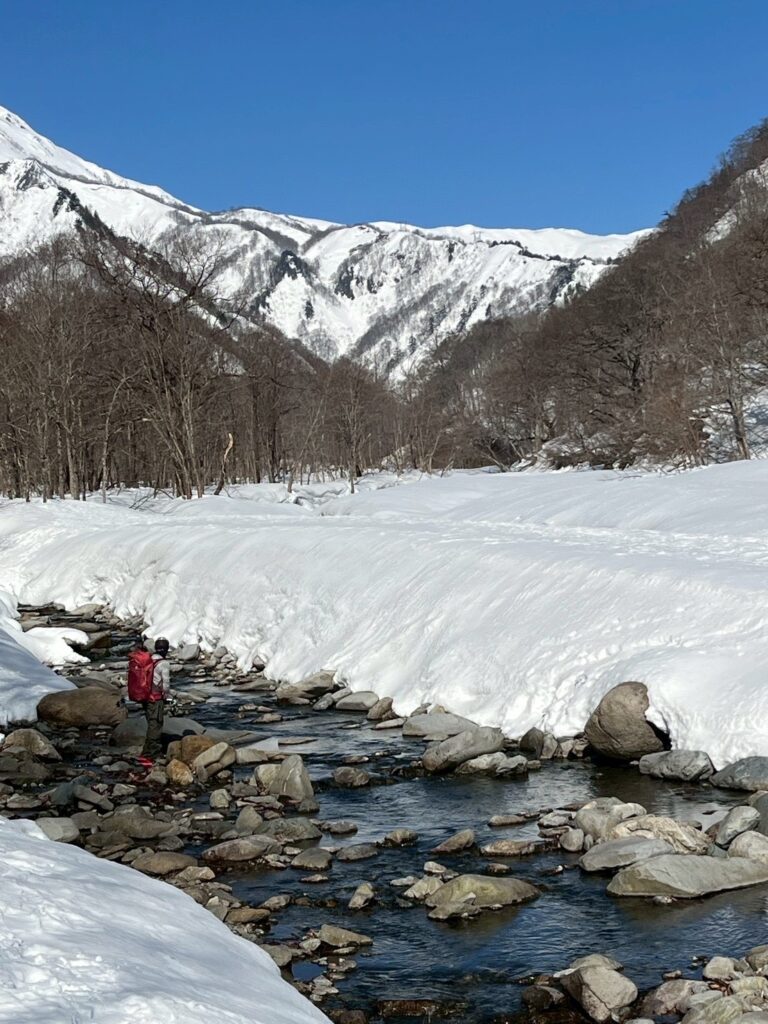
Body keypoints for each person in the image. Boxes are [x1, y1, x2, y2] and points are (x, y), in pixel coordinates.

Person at [139, 637, 171, 766]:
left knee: (150, 723)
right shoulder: (164, 664)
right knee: (156, 725)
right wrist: (167, 697)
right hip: (156, 699)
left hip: (145, 697)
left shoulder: (149, 660)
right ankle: (150, 755)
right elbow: (166, 684)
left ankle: (146, 752)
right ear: (166, 650)